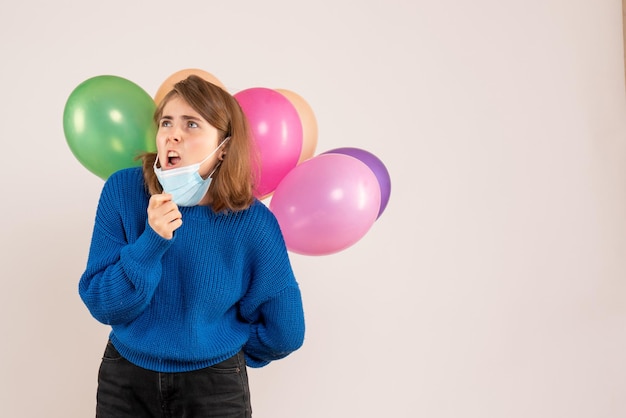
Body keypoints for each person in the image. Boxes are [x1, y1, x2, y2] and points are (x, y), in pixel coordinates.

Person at [78, 75, 305, 417]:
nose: (173, 134)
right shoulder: (123, 191)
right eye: (166, 122)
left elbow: (286, 330)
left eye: (192, 124)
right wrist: (151, 242)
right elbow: (102, 305)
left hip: (214, 386)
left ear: (224, 146)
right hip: (126, 379)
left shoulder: (254, 222)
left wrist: (222, 349)